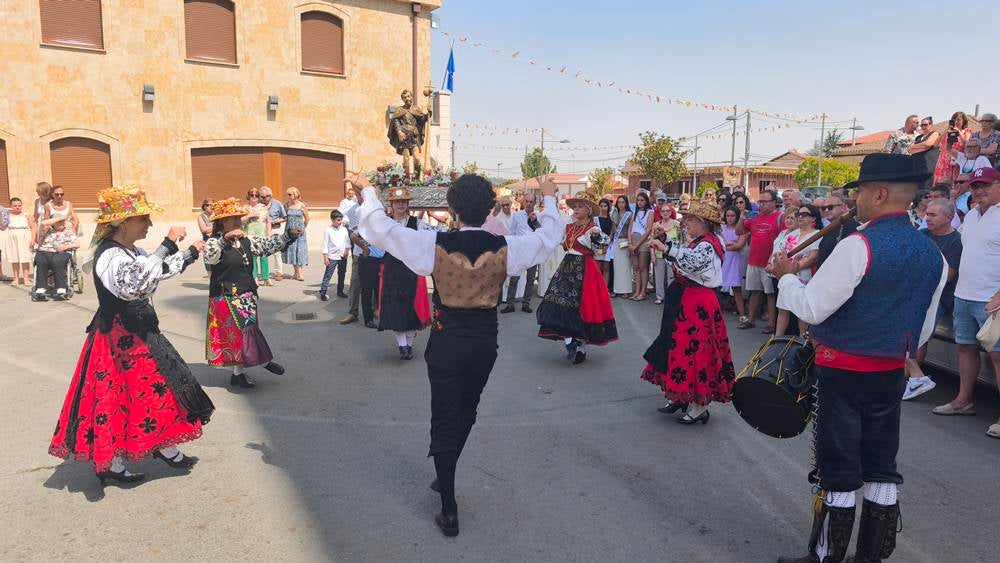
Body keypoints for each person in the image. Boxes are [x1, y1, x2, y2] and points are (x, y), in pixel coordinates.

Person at [355, 171, 562, 537]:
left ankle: (449, 507)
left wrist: (367, 190)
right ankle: (444, 476)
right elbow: (549, 238)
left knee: (444, 416)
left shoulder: (431, 243)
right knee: (467, 409)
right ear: (488, 209)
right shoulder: (508, 247)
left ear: (452, 207)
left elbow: (379, 228)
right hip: (484, 343)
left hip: (447, 340)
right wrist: (547, 198)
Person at [773, 154, 946, 563]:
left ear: (880, 193)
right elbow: (921, 326)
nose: (855, 202)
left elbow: (813, 308)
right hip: (889, 373)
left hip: (842, 372)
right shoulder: (932, 254)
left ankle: (827, 557)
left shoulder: (858, 244)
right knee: (881, 463)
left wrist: (784, 276)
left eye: (860, 192)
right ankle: (870, 557)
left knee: (838, 466)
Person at [49, 185, 213, 486]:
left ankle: (165, 446)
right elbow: (135, 283)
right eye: (143, 219)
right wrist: (166, 244)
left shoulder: (128, 251)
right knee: (121, 396)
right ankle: (112, 462)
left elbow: (155, 270)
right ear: (123, 223)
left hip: (138, 333)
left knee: (159, 388)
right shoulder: (109, 256)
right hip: (118, 340)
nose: (149, 225)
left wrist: (188, 253)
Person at [641, 200, 735, 425]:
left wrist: (666, 247)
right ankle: (681, 397)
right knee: (677, 347)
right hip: (685, 298)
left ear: (704, 223)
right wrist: (666, 240)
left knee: (696, 351)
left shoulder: (710, 243)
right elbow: (684, 255)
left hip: (697, 302)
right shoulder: (701, 241)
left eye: (690, 220)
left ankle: (699, 406)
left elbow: (692, 263)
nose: (686, 224)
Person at [932, 167, 1000, 438]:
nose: (979, 190)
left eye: (985, 184)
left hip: (991, 299)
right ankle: (964, 400)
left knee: (997, 356)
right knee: (965, 349)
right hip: (965, 294)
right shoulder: (971, 215)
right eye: (975, 186)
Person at [204, 197, 297, 388]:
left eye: (239, 218)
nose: (239, 221)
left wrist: (288, 235)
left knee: (246, 333)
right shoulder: (214, 242)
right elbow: (210, 258)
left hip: (246, 294)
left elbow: (267, 245)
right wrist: (224, 239)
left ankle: (238, 374)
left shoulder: (246, 240)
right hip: (226, 296)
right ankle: (263, 362)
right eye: (234, 218)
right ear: (223, 222)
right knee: (241, 333)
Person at [536, 191, 617, 364]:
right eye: (575, 207)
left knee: (583, 308)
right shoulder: (569, 227)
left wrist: (597, 236)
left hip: (585, 269)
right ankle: (570, 340)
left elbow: (602, 249)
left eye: (580, 207)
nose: (576, 209)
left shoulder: (593, 228)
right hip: (568, 267)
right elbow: (561, 243)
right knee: (556, 302)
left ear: (588, 210)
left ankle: (581, 348)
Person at [903, 198, 962, 401]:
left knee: (918, 336)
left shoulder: (956, 241)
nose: (927, 218)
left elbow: (949, 275)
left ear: (948, 217)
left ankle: (913, 380)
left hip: (937, 298)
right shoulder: (923, 234)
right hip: (915, 293)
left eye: (933, 215)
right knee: (909, 336)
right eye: (927, 214)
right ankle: (910, 379)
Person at [378, 187, 434, 360]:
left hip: (412, 270)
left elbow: (434, 237)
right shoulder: (384, 223)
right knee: (395, 310)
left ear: (408, 204)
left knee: (411, 310)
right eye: (397, 202)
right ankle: (402, 345)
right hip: (391, 271)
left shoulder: (418, 224)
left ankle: (408, 345)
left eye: (403, 202)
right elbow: (365, 233)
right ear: (391, 205)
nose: (401, 204)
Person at [739, 190, 782, 332]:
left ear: (774, 202)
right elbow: (739, 231)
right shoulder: (756, 217)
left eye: (765, 202)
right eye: (760, 202)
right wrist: (741, 217)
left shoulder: (780, 218)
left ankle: (771, 323)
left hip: (769, 263)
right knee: (755, 292)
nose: (761, 205)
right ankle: (750, 319)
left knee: (770, 294)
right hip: (753, 261)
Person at [503, 192, 542, 313]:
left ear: (535, 203)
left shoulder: (539, 215)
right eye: (527, 201)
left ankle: (526, 303)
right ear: (523, 202)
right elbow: (512, 232)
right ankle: (510, 304)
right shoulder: (517, 215)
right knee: (514, 277)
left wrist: (535, 221)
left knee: (530, 279)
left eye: (531, 202)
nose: (529, 204)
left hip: (532, 251)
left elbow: (542, 232)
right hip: (519, 250)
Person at [31, 215, 80, 301]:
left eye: (62, 222)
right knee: (40, 259)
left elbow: (77, 244)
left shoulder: (68, 232)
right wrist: (60, 218)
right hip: (45, 251)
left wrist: (65, 247)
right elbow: (43, 223)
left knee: (57, 260)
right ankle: (41, 288)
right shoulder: (46, 230)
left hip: (62, 252)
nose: (62, 223)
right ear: (53, 223)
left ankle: (61, 288)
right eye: (59, 222)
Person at [651, 194, 680, 305]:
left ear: (671, 211)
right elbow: (652, 241)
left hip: (672, 254)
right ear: (660, 212)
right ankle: (659, 296)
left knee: (672, 277)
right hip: (659, 254)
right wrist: (652, 255)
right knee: (658, 277)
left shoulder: (677, 224)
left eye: (668, 210)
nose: (665, 213)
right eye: (663, 211)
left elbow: (680, 240)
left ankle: (671, 297)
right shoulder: (656, 225)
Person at [816, 194, 859, 268]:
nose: (826, 210)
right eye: (823, 208)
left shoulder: (852, 227)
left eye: (830, 207)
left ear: (842, 207)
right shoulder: (829, 228)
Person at [720, 206, 747, 321]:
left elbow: (739, 246)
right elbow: (718, 243)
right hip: (723, 259)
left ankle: (742, 314)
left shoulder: (741, 229)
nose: (730, 218)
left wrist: (725, 245)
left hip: (735, 260)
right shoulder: (721, 228)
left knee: (736, 288)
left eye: (732, 216)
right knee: (716, 285)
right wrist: (729, 243)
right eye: (728, 216)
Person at [243, 188, 273, 286]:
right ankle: (254, 277)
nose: (254, 197)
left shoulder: (263, 207)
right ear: (249, 196)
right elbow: (240, 221)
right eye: (252, 195)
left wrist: (269, 234)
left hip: (262, 235)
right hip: (249, 236)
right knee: (253, 257)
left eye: (256, 195)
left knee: (264, 256)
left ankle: (266, 278)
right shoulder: (245, 208)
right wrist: (250, 215)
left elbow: (268, 221)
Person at [934, 111, 973, 185]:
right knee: (941, 183)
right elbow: (935, 144)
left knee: (954, 183)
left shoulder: (966, 131)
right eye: (954, 120)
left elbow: (966, 143)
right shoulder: (948, 131)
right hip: (944, 160)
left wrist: (958, 132)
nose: (956, 122)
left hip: (957, 159)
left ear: (963, 121)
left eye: (958, 120)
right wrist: (945, 131)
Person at [4, 197, 35, 287]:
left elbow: (33, 227)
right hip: (12, 236)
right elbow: (3, 226)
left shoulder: (26, 215)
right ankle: (16, 279)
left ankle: (26, 279)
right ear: (11, 206)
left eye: (19, 205)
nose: (17, 207)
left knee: (25, 258)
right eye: (15, 206)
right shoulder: (8, 215)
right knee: (15, 258)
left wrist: (33, 239)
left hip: (24, 235)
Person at [628, 192, 654, 301]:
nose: (640, 202)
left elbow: (648, 230)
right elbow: (630, 228)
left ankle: (643, 292)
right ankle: (637, 291)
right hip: (633, 240)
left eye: (642, 200)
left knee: (643, 267)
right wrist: (630, 243)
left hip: (643, 240)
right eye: (638, 200)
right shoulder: (634, 213)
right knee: (636, 268)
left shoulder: (650, 212)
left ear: (646, 201)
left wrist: (637, 245)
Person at [319, 210, 350, 301]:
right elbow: (325, 244)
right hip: (332, 256)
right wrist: (325, 257)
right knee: (328, 274)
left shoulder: (344, 229)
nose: (340, 222)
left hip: (342, 256)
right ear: (332, 220)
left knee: (342, 274)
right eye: (338, 220)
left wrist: (347, 250)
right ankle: (323, 292)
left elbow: (347, 241)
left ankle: (340, 291)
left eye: (341, 220)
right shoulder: (328, 230)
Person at [260, 186, 287, 281]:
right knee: (261, 251)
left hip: (275, 229)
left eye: (265, 197)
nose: (263, 199)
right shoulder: (259, 204)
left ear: (270, 196)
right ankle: (263, 273)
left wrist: (274, 222)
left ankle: (279, 272)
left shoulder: (277, 204)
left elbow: (285, 217)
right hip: (262, 230)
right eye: (262, 197)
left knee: (277, 252)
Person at [283, 187, 309, 281]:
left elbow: (307, 219)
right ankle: (295, 273)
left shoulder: (302, 206)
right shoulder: (286, 205)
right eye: (288, 195)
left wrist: (303, 228)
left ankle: (300, 273)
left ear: (295, 194)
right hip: (290, 231)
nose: (288, 196)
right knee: (292, 250)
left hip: (299, 231)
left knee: (300, 251)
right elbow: (284, 217)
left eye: (290, 194)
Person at [610, 195, 633, 297]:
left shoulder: (630, 214)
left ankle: (626, 290)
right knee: (617, 267)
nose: (621, 204)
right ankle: (617, 289)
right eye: (619, 202)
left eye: (623, 202)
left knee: (626, 267)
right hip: (616, 241)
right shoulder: (615, 214)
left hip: (626, 241)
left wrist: (630, 243)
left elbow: (630, 230)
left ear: (626, 203)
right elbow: (614, 230)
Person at [909, 117, 940, 190]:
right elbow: (910, 149)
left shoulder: (935, 133)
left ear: (931, 125)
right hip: (918, 167)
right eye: (921, 125)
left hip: (929, 167)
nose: (923, 127)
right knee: (918, 190)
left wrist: (915, 147)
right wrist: (923, 146)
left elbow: (928, 144)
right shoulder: (918, 137)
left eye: (925, 125)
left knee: (927, 189)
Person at [594, 197, 614, 291]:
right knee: (598, 268)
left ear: (608, 207)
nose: (603, 208)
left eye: (605, 206)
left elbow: (612, 232)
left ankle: (604, 290)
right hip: (598, 245)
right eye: (601, 206)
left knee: (606, 268)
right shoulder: (595, 219)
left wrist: (608, 241)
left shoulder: (611, 219)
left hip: (608, 245)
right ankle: (598, 288)